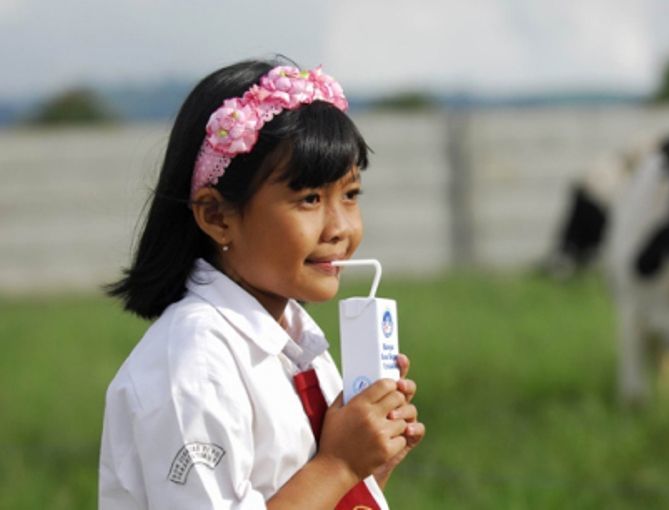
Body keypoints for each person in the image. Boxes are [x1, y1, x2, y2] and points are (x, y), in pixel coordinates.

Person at [99, 58, 425, 510]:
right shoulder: (195, 364)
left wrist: (370, 462)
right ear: (217, 216)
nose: (339, 228)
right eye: (309, 198)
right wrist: (339, 464)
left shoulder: (297, 340)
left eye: (350, 194)